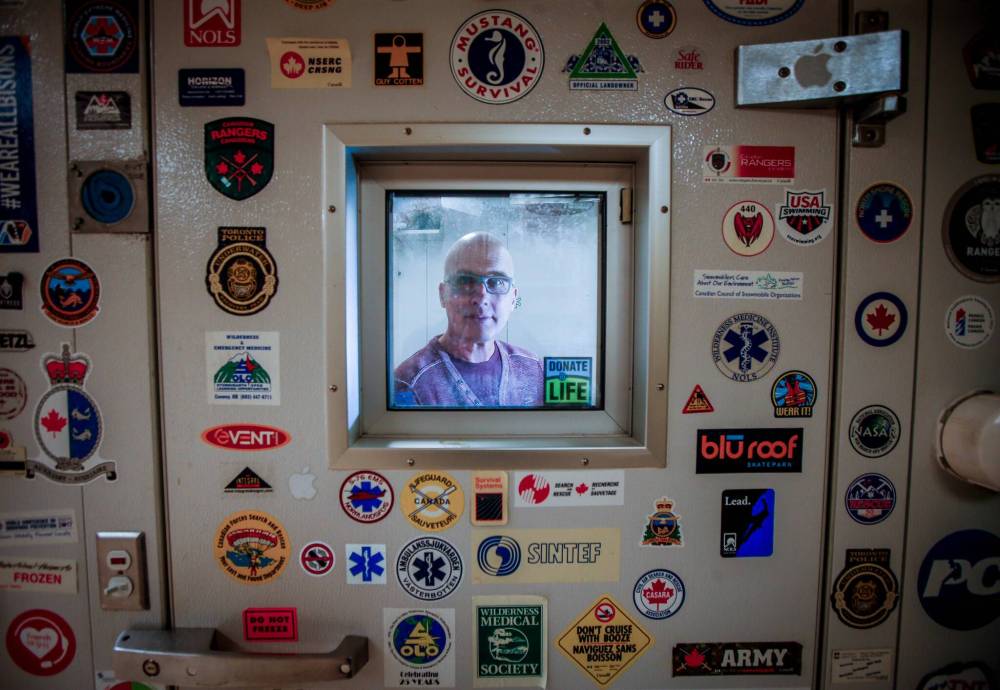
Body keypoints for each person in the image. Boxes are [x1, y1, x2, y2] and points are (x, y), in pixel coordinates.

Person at [394, 232, 543, 407]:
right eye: (465, 281)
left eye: (497, 282)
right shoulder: (409, 384)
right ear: (443, 295)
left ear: (513, 298)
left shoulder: (534, 371)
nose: (481, 296)